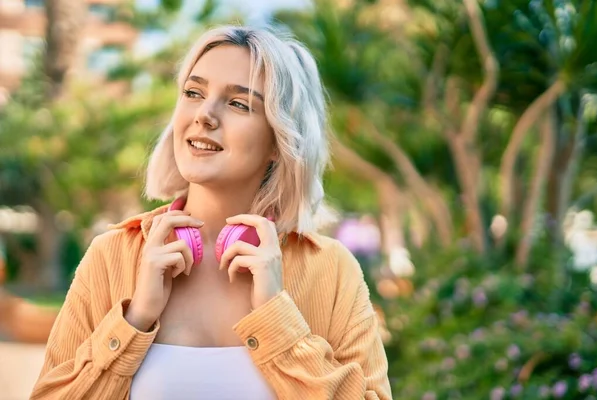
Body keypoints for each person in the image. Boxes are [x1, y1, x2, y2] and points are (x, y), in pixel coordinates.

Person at [31, 25, 392, 399]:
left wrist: (277, 320)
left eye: (238, 103)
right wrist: (134, 320)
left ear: (279, 140)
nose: (204, 114)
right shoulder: (111, 256)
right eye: (193, 92)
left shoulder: (331, 270)